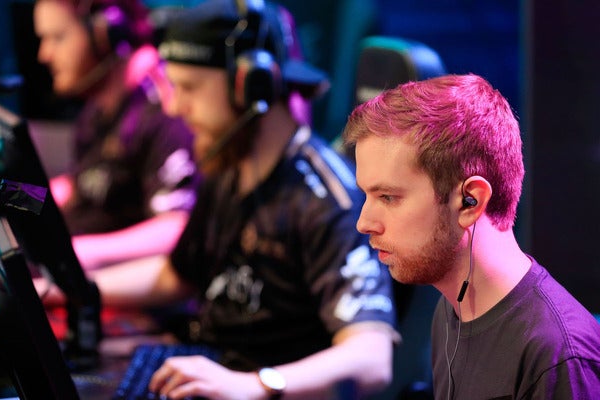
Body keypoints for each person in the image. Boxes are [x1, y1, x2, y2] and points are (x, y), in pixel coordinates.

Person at [79, 0, 400, 398]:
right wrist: (72, 287)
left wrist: (253, 384)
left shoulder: (326, 201)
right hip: (209, 363)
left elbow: (372, 359)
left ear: (251, 88)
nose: (174, 107)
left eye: (189, 88)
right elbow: (176, 276)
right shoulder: (228, 167)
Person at [343, 73, 600, 399]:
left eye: (388, 197)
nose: (364, 223)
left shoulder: (559, 356)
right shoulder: (452, 308)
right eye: (366, 195)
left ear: (471, 201)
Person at [33, 0, 199, 270]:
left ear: (105, 33)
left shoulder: (163, 111)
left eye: (58, 38)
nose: (44, 54)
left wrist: (73, 254)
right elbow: (78, 185)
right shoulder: (98, 107)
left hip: (111, 280)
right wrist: (11, 199)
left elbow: (175, 225)